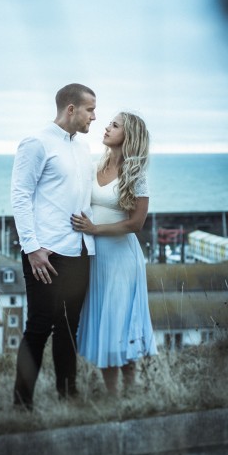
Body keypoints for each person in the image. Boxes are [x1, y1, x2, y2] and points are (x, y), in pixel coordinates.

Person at [10, 83, 97, 409]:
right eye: (90, 109)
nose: (94, 116)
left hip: (79, 251)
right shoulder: (36, 142)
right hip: (45, 254)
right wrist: (32, 248)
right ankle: (21, 404)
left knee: (68, 330)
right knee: (38, 327)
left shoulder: (83, 148)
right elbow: (20, 195)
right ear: (71, 108)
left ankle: (68, 397)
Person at [71, 111, 157, 395]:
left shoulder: (137, 173)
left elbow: (136, 223)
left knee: (122, 322)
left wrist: (94, 230)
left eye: (115, 125)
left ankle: (131, 394)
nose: (106, 127)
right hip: (96, 259)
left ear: (128, 135)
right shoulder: (98, 164)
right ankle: (112, 399)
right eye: (109, 123)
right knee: (105, 325)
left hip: (122, 259)